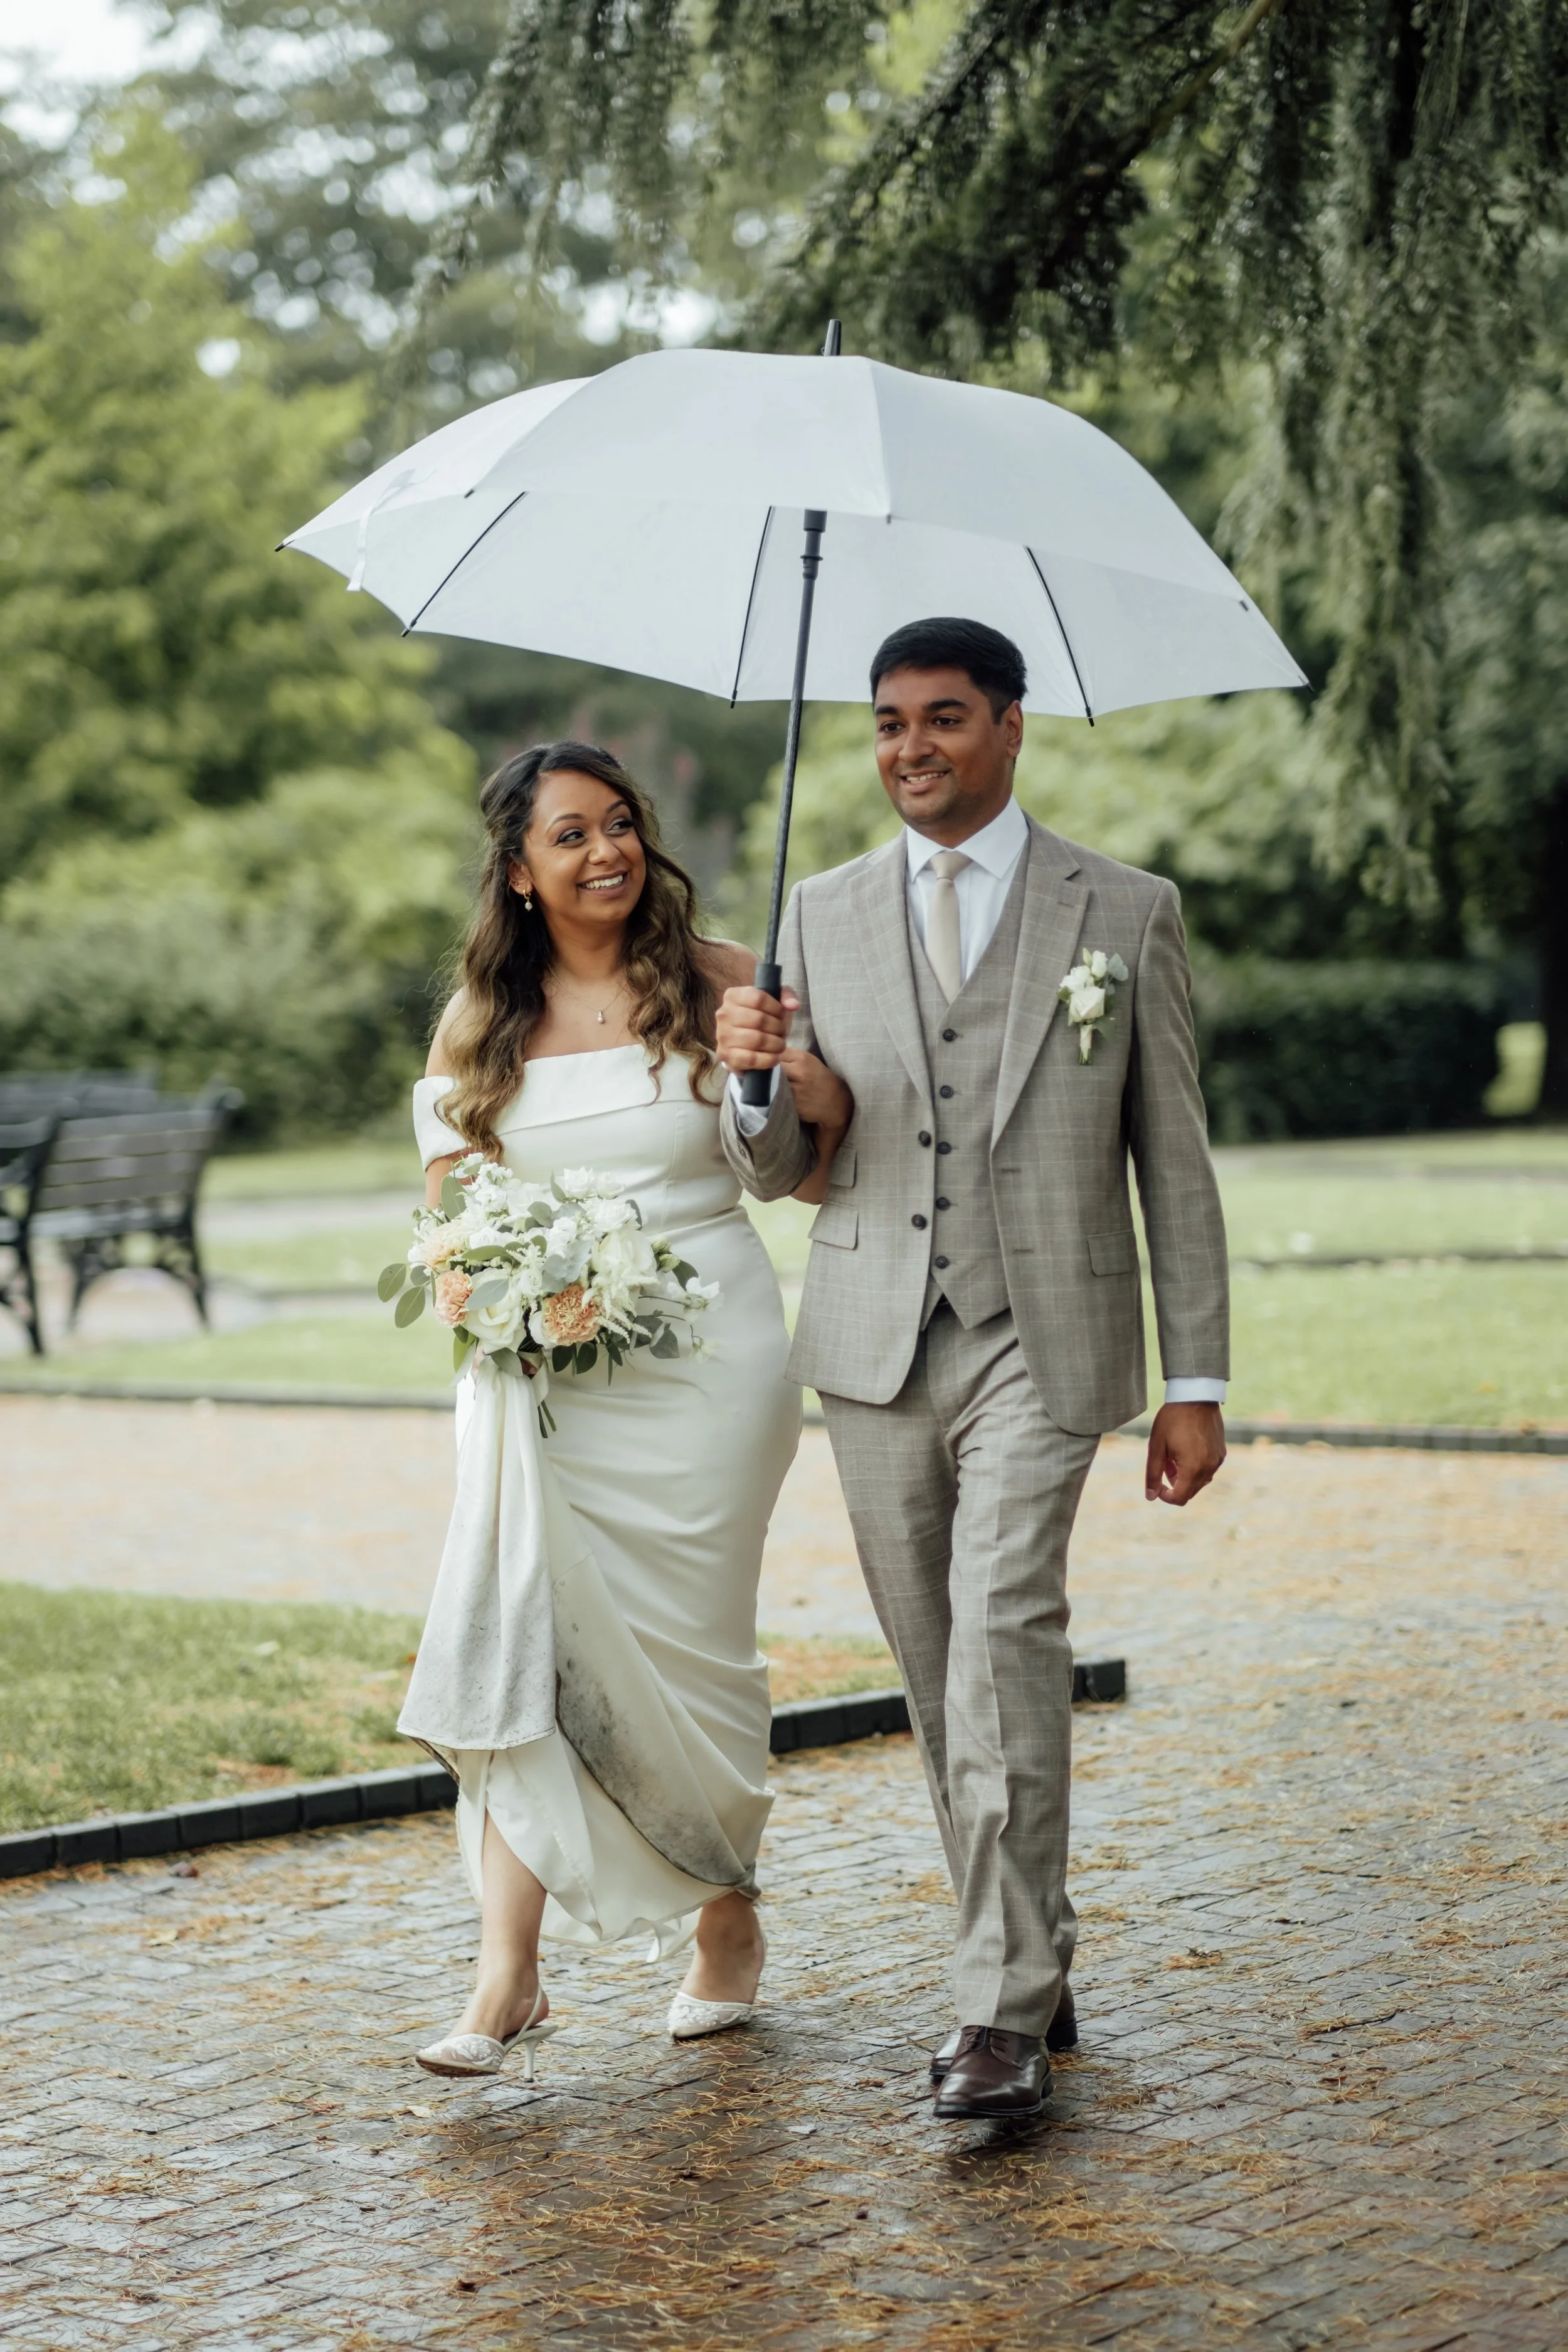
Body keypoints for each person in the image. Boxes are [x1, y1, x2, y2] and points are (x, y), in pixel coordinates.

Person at [716, 617, 1229, 2123]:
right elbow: (778, 1170)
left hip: (1042, 1332)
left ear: (1010, 728)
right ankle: (1027, 1953)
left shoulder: (1122, 913)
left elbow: (1173, 1161)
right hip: (875, 1341)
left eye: (941, 718)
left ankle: (995, 2018)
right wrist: (753, 1078)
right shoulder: (813, 912)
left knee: (1004, 1634)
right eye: (884, 723)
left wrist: (1192, 1377)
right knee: (937, 1676)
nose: (907, 749)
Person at [405, 739, 846, 2080]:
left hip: (709, 1364)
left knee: (690, 1654)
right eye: (569, 836)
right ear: (519, 873)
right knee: (528, 1645)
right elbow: (447, 1219)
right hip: (548, 1386)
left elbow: (817, 1162)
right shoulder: (481, 1023)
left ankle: (725, 1918)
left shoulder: (716, 980)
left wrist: (780, 1066)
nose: (604, 853)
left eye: (619, 827)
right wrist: (486, 1296)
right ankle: (506, 1975)